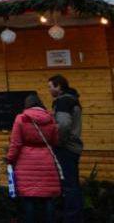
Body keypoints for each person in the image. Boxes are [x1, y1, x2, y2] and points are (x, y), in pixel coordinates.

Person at [6, 94, 61, 223]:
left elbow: (16, 143)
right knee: (48, 197)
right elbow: (55, 140)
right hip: (46, 160)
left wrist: (10, 159)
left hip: (26, 162)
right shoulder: (50, 119)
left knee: (28, 197)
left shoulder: (21, 118)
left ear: (27, 104)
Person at [48, 74, 83, 222]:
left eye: (50, 86)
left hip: (66, 148)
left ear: (59, 86)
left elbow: (63, 125)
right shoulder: (73, 99)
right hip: (73, 147)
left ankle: (71, 218)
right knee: (72, 184)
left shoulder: (63, 101)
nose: (49, 90)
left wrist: (58, 141)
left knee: (69, 186)